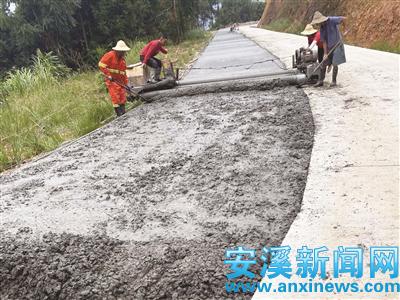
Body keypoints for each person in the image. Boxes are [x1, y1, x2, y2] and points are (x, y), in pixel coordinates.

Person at [311, 11, 347, 87]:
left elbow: (344, 19)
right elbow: (324, 41)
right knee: (323, 63)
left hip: (337, 44)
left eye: (319, 22)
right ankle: (320, 81)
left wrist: (345, 30)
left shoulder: (332, 20)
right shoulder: (322, 28)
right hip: (329, 47)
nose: (319, 24)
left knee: (335, 63)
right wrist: (325, 53)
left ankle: (334, 82)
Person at [98, 40, 130, 117]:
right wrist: (108, 75)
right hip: (111, 81)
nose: (123, 53)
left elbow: (123, 73)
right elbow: (101, 65)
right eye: (122, 51)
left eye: (124, 51)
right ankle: (119, 115)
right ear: (117, 50)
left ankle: (123, 113)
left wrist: (126, 84)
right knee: (115, 97)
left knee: (122, 96)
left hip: (120, 81)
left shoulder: (122, 61)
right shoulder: (110, 55)